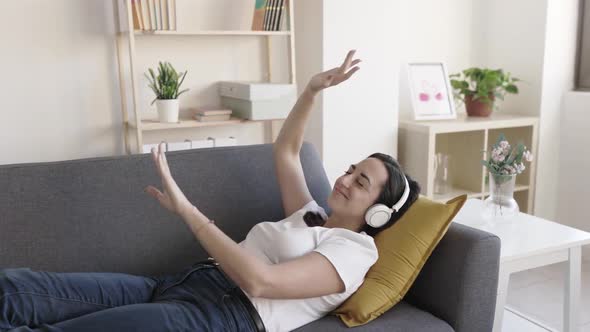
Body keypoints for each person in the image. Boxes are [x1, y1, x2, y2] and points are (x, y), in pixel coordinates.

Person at [0, 50, 420, 332]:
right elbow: (287, 151)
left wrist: (188, 211)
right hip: (180, 283)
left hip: (219, 315)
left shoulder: (354, 251)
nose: (344, 180)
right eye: (350, 169)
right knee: (18, 290)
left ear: (378, 214)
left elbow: (261, 282)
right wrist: (312, 90)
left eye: (361, 182)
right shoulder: (310, 215)